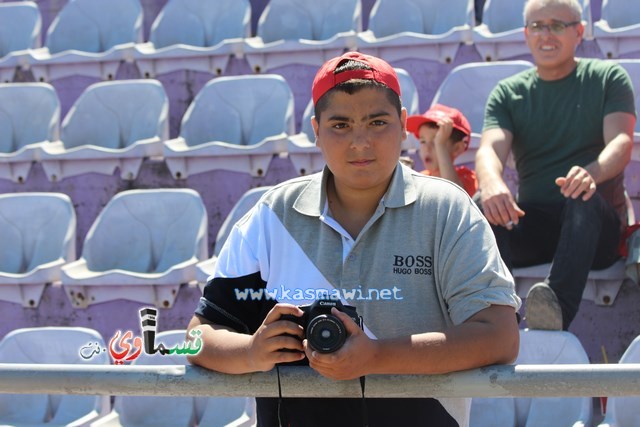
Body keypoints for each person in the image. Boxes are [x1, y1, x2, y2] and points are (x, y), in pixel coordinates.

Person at [187, 51, 521, 427]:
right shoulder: (272, 216)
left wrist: (376, 356)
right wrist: (250, 351)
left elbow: (500, 337)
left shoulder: (446, 210)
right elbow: (199, 336)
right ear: (316, 130)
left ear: (403, 124)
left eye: (377, 122)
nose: (360, 142)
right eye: (340, 125)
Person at [475, 0, 636, 331]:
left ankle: (554, 308)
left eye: (557, 25)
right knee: (482, 205)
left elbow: (620, 143)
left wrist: (591, 173)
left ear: (579, 31)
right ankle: (495, 315)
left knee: (582, 198)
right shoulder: (508, 93)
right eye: (537, 26)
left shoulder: (607, 78)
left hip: (594, 233)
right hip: (534, 225)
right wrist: (491, 181)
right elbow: (490, 147)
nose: (546, 35)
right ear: (525, 34)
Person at [407, 104, 478, 196]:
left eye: (436, 141)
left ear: (457, 148)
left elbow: (455, 197)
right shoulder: (419, 179)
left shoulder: (468, 177)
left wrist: (440, 145)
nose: (427, 148)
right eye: (423, 141)